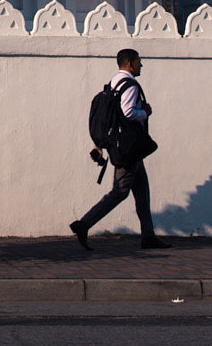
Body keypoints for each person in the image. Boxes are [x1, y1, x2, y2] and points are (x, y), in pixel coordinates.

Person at [71, 47, 169, 251]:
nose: (141, 65)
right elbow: (128, 112)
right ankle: (84, 224)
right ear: (130, 63)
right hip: (129, 147)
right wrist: (145, 112)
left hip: (126, 147)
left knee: (142, 192)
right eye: (138, 61)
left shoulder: (113, 83)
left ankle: (148, 235)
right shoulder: (130, 85)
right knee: (120, 191)